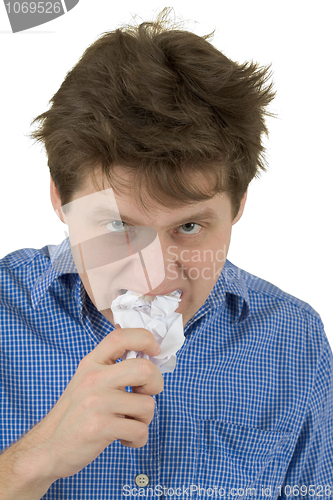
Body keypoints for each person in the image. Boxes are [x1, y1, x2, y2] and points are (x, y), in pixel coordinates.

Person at [0, 9, 332, 500]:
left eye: (190, 226)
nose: (154, 279)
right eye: (118, 226)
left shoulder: (293, 341)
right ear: (59, 201)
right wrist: (32, 462)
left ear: (239, 205)